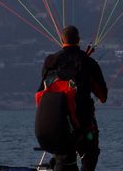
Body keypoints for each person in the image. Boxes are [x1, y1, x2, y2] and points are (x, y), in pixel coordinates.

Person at [40, 25, 108, 171]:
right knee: (90, 155)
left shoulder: (50, 62)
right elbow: (103, 97)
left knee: (64, 159)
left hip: (57, 124)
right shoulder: (88, 63)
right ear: (78, 40)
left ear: (61, 40)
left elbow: (44, 90)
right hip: (82, 123)